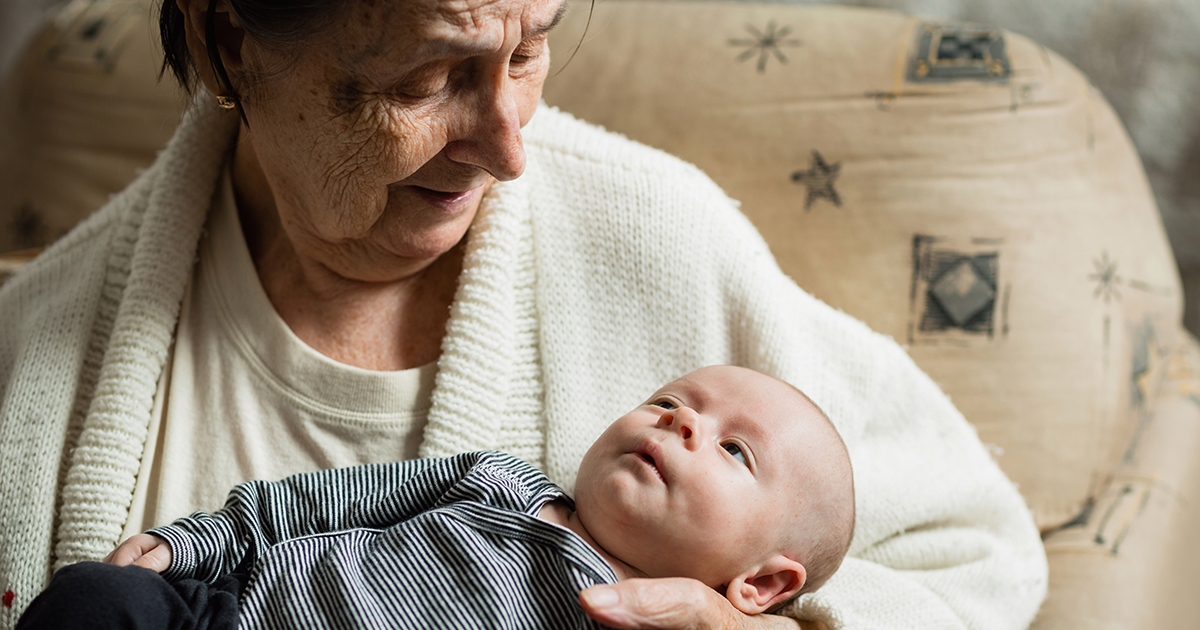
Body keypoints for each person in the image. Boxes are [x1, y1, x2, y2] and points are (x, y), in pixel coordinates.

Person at [0, 0, 1048, 627]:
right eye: (428, 78)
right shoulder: (31, 356)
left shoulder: (664, 237)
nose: (509, 148)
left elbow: (978, 552)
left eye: (530, 49)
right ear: (231, 38)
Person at [16, 366, 856, 629]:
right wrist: (197, 541)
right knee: (97, 597)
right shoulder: (499, 479)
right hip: (233, 614)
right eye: (670, 400)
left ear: (761, 584)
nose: (681, 422)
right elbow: (319, 504)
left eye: (735, 449)